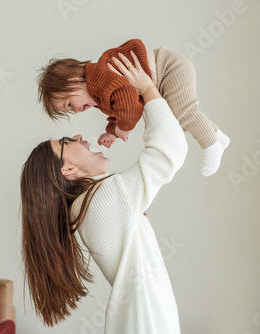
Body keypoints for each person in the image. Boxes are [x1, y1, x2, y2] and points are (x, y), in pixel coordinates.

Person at [22, 52, 187, 333]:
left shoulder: (90, 203)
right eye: (66, 142)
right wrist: (147, 90)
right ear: (67, 170)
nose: (78, 137)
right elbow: (169, 151)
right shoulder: (101, 199)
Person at [38, 38, 230, 176]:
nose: (76, 110)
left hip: (169, 68)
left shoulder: (99, 79)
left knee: (184, 112)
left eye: (70, 104)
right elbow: (117, 109)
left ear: (73, 81)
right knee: (178, 118)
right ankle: (218, 137)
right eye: (70, 110)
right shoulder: (97, 93)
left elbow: (129, 105)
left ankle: (211, 146)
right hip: (162, 79)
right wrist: (112, 132)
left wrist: (123, 128)